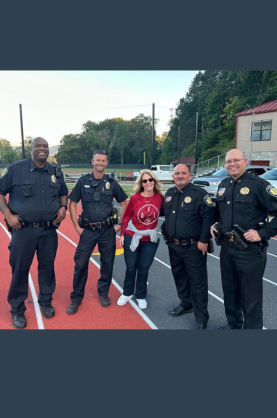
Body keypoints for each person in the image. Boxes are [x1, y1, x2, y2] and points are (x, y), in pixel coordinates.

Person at [0, 137, 68, 329]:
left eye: (45, 146)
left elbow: (63, 192)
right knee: (20, 270)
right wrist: (7, 214)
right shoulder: (15, 169)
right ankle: (17, 309)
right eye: (38, 146)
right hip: (23, 231)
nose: (42, 149)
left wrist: (63, 207)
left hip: (48, 231)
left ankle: (45, 301)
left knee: (47, 268)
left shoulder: (55, 171)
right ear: (31, 149)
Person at [210, 149, 277, 329]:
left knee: (250, 297)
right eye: (228, 161)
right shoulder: (223, 184)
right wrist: (216, 224)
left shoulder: (258, 185)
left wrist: (261, 233)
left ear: (245, 161)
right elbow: (220, 213)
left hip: (249, 250)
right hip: (226, 249)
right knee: (230, 292)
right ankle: (234, 325)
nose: (232, 164)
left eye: (236, 160)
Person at [67, 149, 128, 314]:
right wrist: (76, 227)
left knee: (107, 264)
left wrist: (120, 225)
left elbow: (124, 203)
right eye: (98, 160)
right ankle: (76, 298)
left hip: (107, 231)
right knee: (80, 264)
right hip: (87, 231)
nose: (100, 163)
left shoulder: (112, 182)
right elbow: (72, 203)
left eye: (103, 161)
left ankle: (103, 293)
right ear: (92, 161)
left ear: (106, 164)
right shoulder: (82, 181)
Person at [162, 164, 215, 329]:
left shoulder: (199, 194)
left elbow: (208, 217)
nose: (180, 176)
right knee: (180, 277)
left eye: (183, 173)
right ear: (172, 176)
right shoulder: (169, 194)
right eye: (177, 173)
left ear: (189, 175)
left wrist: (204, 240)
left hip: (194, 247)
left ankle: (201, 318)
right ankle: (186, 303)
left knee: (198, 282)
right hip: (173, 245)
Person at [117, 169, 163, 309]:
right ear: (141, 183)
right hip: (133, 236)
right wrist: (123, 234)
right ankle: (127, 293)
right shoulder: (135, 198)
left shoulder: (160, 198)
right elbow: (126, 216)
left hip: (150, 239)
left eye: (150, 180)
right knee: (131, 267)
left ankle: (141, 295)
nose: (148, 182)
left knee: (144, 268)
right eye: (145, 181)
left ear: (154, 181)